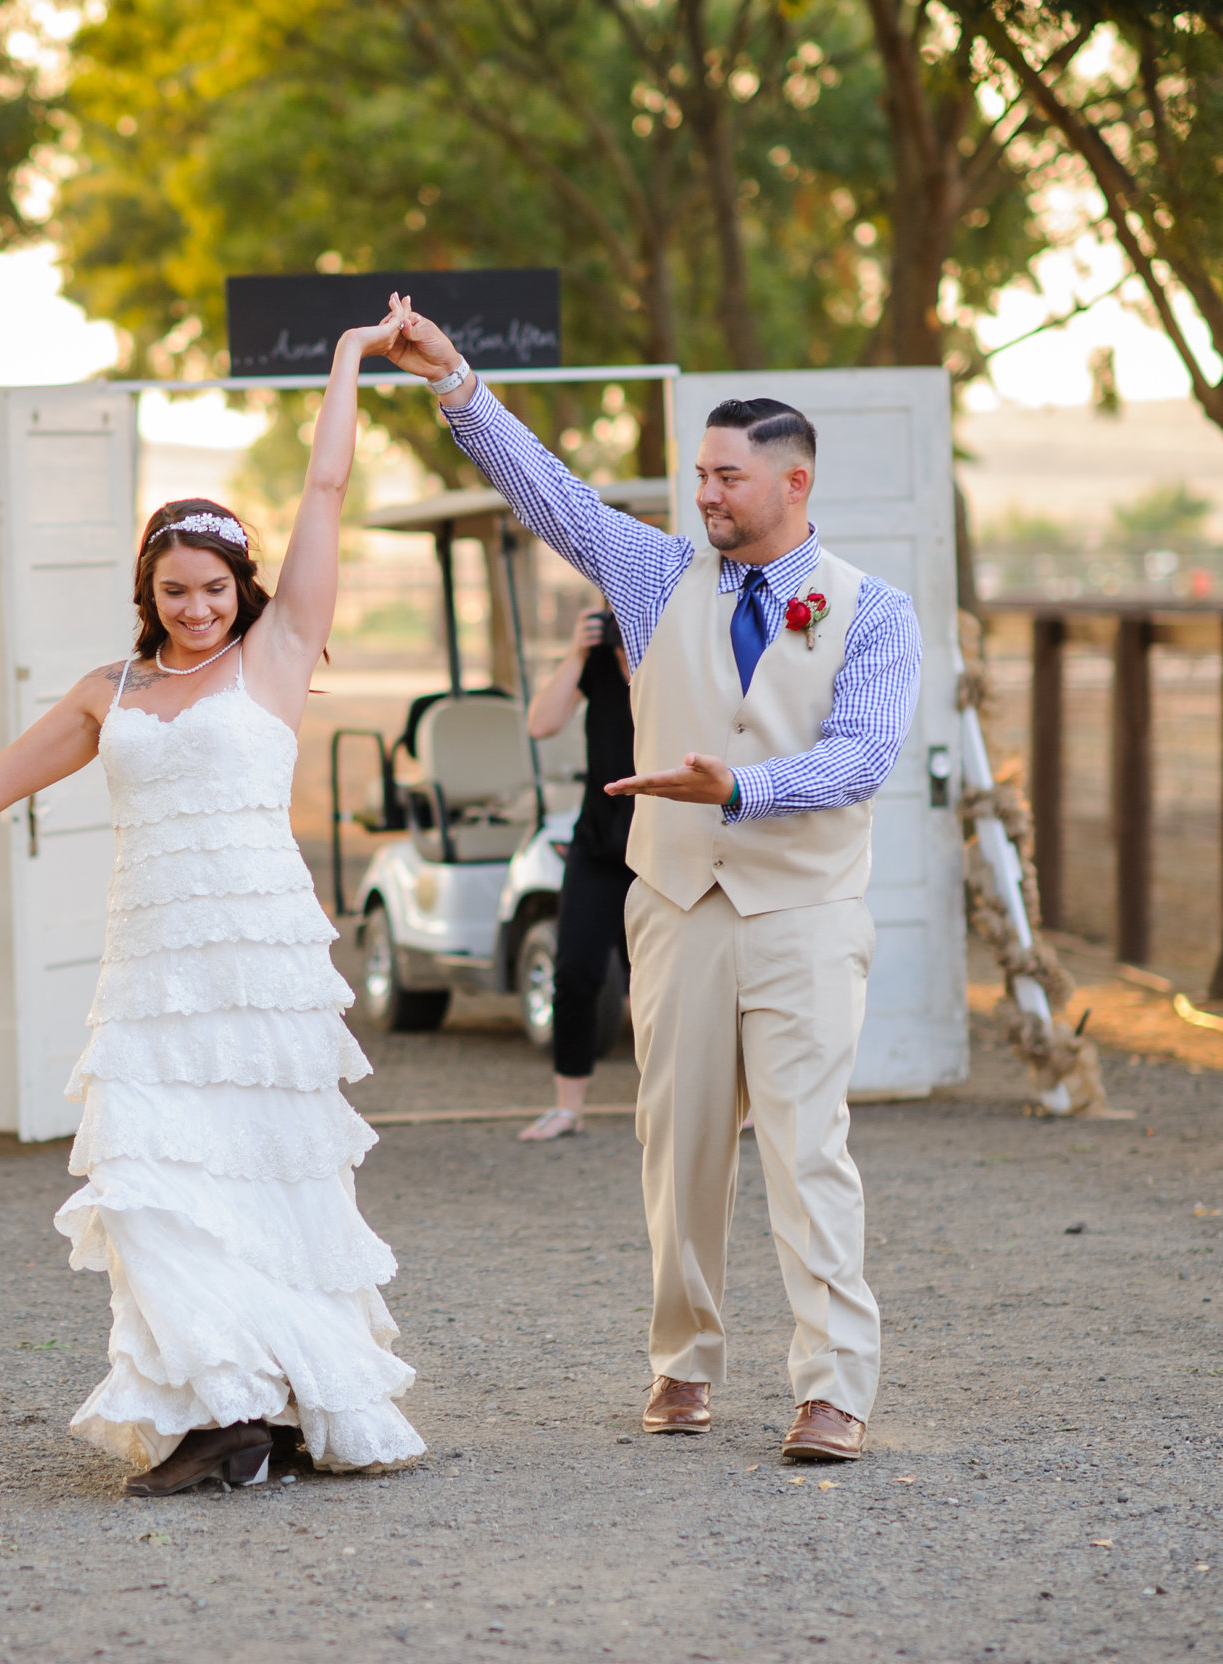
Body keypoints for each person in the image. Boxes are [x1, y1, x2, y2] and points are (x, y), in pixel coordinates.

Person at [0, 299, 427, 1496]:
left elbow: (324, 495)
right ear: (146, 592)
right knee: (151, 1181)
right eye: (173, 591)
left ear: (239, 588)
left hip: (256, 963)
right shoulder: (108, 689)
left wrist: (349, 356)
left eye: (212, 588)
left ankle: (281, 1402)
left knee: (265, 1176)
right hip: (150, 962)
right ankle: (223, 1408)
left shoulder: (276, 656)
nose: (194, 607)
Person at [381, 311, 919, 1462]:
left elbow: (865, 755)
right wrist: (459, 386)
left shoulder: (874, 610)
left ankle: (832, 1386)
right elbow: (556, 498)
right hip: (674, 905)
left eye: (727, 477)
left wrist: (744, 784)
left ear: (793, 480)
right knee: (674, 1146)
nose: (707, 494)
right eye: (700, 475)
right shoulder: (656, 570)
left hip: (805, 914)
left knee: (804, 1146)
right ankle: (682, 1362)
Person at [517, 604, 634, 1142]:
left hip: (664, 845)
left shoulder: (675, 658)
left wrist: (635, 656)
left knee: (687, 978)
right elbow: (541, 723)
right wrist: (577, 654)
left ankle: (729, 1104)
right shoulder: (595, 663)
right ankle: (568, 1107)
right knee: (576, 971)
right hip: (598, 841)